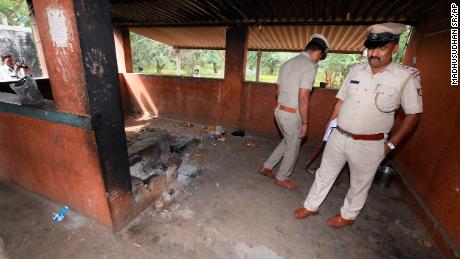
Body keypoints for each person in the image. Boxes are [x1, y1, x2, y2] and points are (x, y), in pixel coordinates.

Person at [293, 22, 423, 227]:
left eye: (382, 48)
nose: (374, 53)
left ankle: (347, 215)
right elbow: (340, 102)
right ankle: (311, 206)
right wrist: (329, 130)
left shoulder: (405, 77)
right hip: (339, 135)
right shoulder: (355, 71)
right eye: (371, 47)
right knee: (324, 173)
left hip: (369, 144)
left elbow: (414, 114)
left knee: (359, 184)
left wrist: (391, 145)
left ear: (395, 48)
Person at [258, 34, 330, 189]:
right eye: (321, 57)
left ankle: (267, 167)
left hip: (279, 111)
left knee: (287, 140)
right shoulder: (310, 66)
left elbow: (278, 91)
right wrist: (305, 122)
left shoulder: (287, 63)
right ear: (318, 53)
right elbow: (304, 96)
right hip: (291, 115)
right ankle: (282, 177)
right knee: (293, 147)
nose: (319, 60)